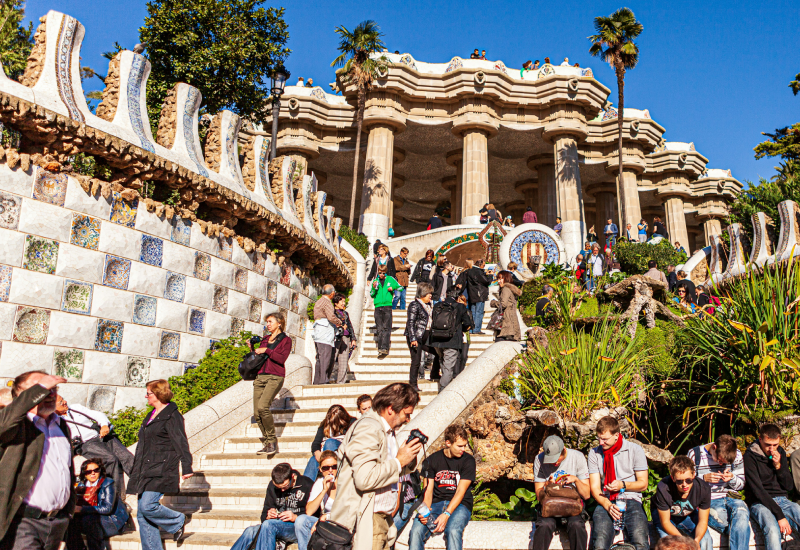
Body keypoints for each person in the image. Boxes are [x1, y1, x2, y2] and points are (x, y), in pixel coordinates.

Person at [329, 383, 424, 550]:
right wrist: (398, 461)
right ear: (390, 409)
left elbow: (387, 470)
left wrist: (407, 458)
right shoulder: (368, 428)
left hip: (380, 519)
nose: (408, 419)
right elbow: (365, 478)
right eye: (406, 414)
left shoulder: (385, 429)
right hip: (368, 519)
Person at [0, 371, 72, 550]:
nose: (50, 393)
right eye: (43, 388)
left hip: (56, 523)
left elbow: (66, 469)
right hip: (23, 522)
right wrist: (40, 388)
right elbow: (4, 424)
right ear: (22, 396)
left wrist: (67, 512)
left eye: (53, 388)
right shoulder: (16, 425)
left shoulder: (61, 425)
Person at [127, 379, 193, 549]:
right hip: (145, 468)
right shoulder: (151, 414)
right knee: (142, 514)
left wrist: (186, 466)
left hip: (162, 467)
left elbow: (180, 441)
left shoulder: (172, 414)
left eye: (148, 393)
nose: (146, 396)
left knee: (147, 506)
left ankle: (178, 520)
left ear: (158, 394)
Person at [409, 425, 475, 550]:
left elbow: (461, 491)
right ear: (448, 443)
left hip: (460, 504)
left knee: (453, 530)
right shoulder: (432, 460)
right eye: (460, 446)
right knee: (416, 530)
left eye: (465, 445)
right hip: (436, 503)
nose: (463, 449)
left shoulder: (468, 461)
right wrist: (426, 511)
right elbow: (428, 489)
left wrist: (446, 513)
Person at [588, 416, 650, 550]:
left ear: (616, 435)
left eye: (604, 439)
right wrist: (608, 505)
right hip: (606, 499)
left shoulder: (634, 450)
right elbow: (594, 487)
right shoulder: (595, 453)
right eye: (598, 438)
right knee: (599, 542)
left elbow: (643, 484)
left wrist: (623, 485)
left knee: (640, 540)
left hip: (631, 498)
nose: (601, 442)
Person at [56, 395, 134, 496]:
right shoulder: (56, 420)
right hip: (86, 444)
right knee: (110, 460)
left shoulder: (75, 408)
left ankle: (143, 488)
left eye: (63, 399)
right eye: (61, 402)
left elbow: (96, 414)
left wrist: (104, 425)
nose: (65, 402)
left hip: (101, 436)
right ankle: (116, 497)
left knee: (127, 457)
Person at [230, 463, 314, 550]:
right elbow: (263, 516)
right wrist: (268, 515)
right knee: (250, 531)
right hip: (275, 525)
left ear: (292, 476)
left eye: (285, 487)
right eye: (279, 488)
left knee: (268, 525)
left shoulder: (307, 485)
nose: (282, 490)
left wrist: (295, 517)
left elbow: (314, 517)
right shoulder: (272, 486)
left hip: (297, 528)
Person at [687, 434, 749, 550]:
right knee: (730, 527)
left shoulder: (737, 454)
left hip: (730, 497)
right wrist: (703, 479)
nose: (721, 464)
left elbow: (741, 485)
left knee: (741, 513)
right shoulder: (695, 454)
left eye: (724, 463)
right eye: (719, 460)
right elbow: (686, 485)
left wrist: (732, 478)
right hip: (709, 500)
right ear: (714, 447)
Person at [744, 423, 800, 550]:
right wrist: (780, 515)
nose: (772, 449)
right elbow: (758, 491)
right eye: (768, 445)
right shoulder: (750, 456)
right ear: (760, 439)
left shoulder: (780, 452)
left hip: (782, 500)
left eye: (775, 445)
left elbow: (789, 486)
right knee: (772, 529)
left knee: (797, 511)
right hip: (760, 502)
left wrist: (778, 466)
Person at [532, 435, 590, 550]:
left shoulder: (577, 457)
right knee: (544, 525)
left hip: (572, 506)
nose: (554, 463)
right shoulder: (539, 459)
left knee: (577, 525)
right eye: (550, 459)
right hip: (550, 506)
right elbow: (539, 496)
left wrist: (576, 480)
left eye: (556, 458)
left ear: (563, 450)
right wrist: (547, 485)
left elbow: (587, 495)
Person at [65, 458, 129, 550]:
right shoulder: (82, 486)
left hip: (112, 520)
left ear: (100, 471)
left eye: (96, 470)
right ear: (84, 474)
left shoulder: (107, 483)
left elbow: (107, 508)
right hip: (91, 519)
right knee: (69, 522)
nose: (93, 473)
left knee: (90, 521)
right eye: (89, 471)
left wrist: (81, 509)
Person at [252, 313, 292, 454]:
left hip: (275, 376)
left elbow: (281, 359)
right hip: (260, 377)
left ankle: (272, 440)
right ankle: (268, 443)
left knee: (263, 407)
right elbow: (259, 358)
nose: (268, 324)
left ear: (279, 323)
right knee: (257, 413)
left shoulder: (286, 340)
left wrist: (267, 350)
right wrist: (252, 348)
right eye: (267, 322)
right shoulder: (265, 339)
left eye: (270, 321)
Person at [654, 456, 712, 550]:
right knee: (668, 543)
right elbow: (665, 522)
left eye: (688, 480)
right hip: (664, 515)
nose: (684, 484)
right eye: (679, 481)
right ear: (673, 478)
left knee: (705, 539)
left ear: (694, 475)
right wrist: (683, 542)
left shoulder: (703, 488)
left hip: (687, 514)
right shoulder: (663, 488)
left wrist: (696, 541)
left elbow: (703, 521)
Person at [427, 292, 473, 390]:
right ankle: (443, 390)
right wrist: (462, 329)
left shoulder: (437, 305)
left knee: (442, 361)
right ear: (457, 297)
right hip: (452, 340)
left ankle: (445, 382)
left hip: (436, 340)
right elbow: (467, 323)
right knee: (448, 367)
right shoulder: (460, 307)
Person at [296, 451, 339, 550]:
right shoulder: (320, 483)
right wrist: (324, 490)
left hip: (340, 521)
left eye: (334, 466)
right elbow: (309, 511)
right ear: (320, 469)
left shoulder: (344, 482)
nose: (330, 471)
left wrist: (326, 517)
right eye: (326, 468)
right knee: (301, 520)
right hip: (326, 522)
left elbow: (348, 511)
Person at [303, 405, 355, 479]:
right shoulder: (325, 425)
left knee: (330, 442)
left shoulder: (352, 423)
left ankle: (329, 473)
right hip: (326, 452)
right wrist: (317, 452)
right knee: (313, 460)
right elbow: (316, 443)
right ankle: (305, 486)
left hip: (343, 452)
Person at [406, 282, 434, 390]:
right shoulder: (414, 305)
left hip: (426, 334)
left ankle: (434, 373)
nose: (430, 296)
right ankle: (412, 384)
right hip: (417, 335)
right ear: (423, 294)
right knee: (416, 360)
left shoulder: (428, 305)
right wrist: (413, 338)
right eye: (428, 294)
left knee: (437, 352)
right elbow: (411, 322)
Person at [313, 285, 343, 386]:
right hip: (324, 331)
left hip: (318, 331)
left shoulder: (319, 301)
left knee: (320, 357)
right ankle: (323, 380)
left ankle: (317, 380)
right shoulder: (326, 302)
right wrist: (339, 322)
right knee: (325, 355)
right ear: (332, 293)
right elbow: (331, 316)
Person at [372, 265, 399, 356]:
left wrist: (393, 288)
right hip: (378, 306)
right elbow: (371, 294)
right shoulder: (375, 281)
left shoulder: (390, 279)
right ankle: (380, 348)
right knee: (379, 328)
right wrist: (374, 288)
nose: (381, 274)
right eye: (380, 272)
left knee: (386, 328)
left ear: (386, 272)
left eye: (383, 273)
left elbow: (400, 287)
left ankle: (385, 348)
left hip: (387, 306)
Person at [492, 270, 522, 342]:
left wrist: (493, 303)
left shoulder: (505, 289)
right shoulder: (511, 289)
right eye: (498, 279)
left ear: (506, 279)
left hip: (505, 323)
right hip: (512, 323)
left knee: (499, 344)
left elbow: (503, 304)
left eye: (500, 279)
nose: (499, 281)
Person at [333, 293, 356, 384]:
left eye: (344, 301)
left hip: (346, 338)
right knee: (332, 358)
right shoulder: (332, 313)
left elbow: (350, 326)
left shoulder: (345, 313)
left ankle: (341, 381)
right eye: (341, 301)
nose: (343, 303)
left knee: (343, 361)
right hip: (336, 337)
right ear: (336, 302)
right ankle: (327, 378)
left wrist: (353, 339)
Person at [466, 259, 493, 334]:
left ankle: (472, 329)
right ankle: (477, 329)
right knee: (479, 312)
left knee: (473, 312)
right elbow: (486, 281)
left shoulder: (470, 271)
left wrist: (484, 274)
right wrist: (490, 275)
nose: (484, 267)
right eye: (484, 265)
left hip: (472, 294)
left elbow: (478, 280)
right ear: (480, 265)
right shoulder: (479, 271)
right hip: (480, 294)